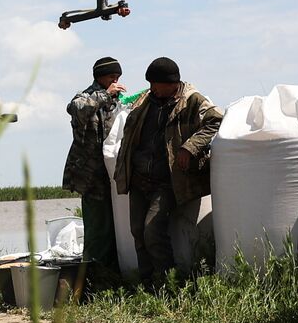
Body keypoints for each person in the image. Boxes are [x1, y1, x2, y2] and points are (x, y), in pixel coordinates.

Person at [114, 57, 221, 285]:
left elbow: (216, 120)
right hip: (139, 178)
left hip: (167, 181)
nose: (152, 89)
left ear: (171, 83)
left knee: (152, 232)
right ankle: (146, 284)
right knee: (137, 232)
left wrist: (190, 147)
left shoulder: (191, 100)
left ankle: (168, 284)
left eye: (155, 84)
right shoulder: (146, 99)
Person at [61, 56, 125, 278]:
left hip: (112, 175)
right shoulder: (85, 97)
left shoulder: (117, 102)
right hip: (90, 175)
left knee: (116, 226)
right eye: (111, 77)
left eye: (118, 77)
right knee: (97, 228)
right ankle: (94, 277)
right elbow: (75, 108)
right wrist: (105, 94)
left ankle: (114, 273)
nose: (115, 81)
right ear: (100, 77)